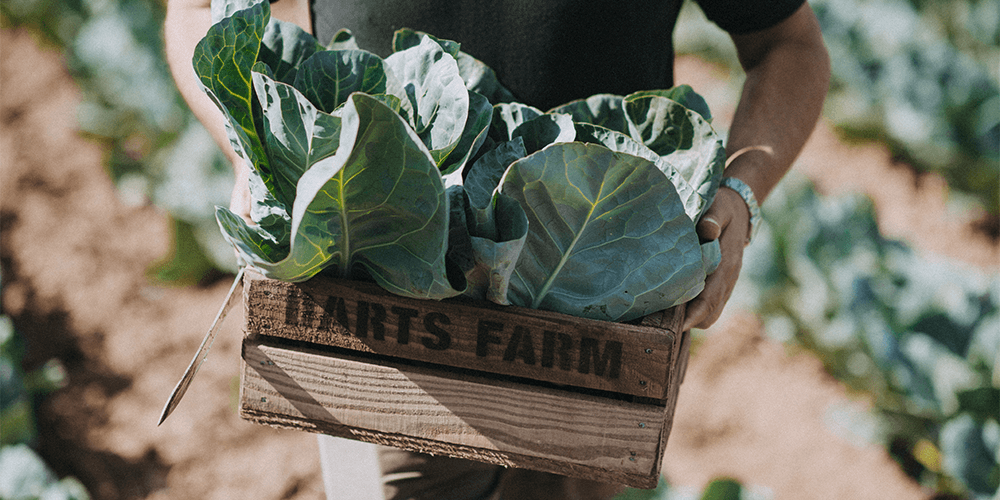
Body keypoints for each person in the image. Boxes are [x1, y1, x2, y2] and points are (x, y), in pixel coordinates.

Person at [164, 0, 830, 498]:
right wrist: (252, 155)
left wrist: (740, 195)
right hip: (375, 296)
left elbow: (789, 44)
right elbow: (197, 10)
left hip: (593, 307)